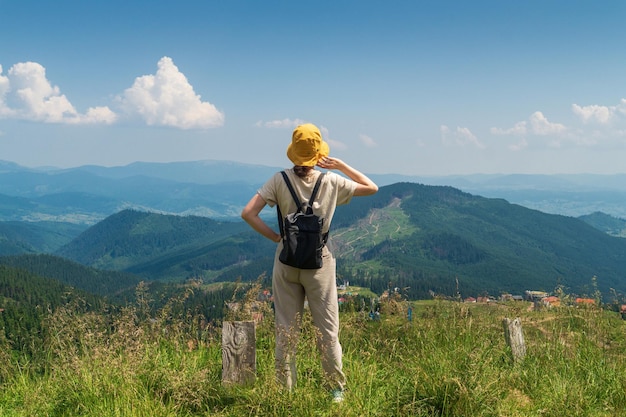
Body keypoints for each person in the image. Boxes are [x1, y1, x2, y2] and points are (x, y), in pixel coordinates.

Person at [241, 123, 378, 402]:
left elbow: (248, 213)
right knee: (328, 330)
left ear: (293, 153)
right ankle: (336, 391)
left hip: (287, 262)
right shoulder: (331, 181)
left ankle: (285, 391)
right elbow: (371, 187)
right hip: (320, 263)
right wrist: (340, 165)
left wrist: (276, 237)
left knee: (286, 329)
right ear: (318, 154)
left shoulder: (278, 180)